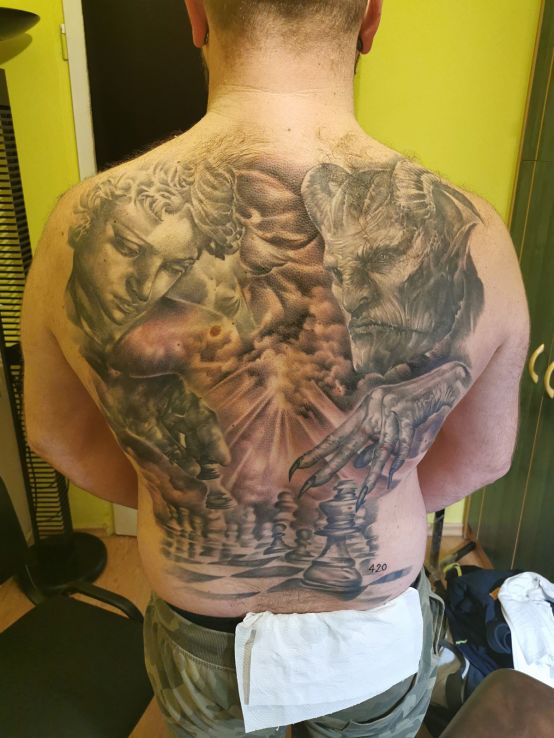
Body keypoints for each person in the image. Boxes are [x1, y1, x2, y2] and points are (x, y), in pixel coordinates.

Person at [21, 0, 529, 735]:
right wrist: (372, 488)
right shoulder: (477, 235)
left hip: (204, 615)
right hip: (372, 618)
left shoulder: (77, 221)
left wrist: (188, 494)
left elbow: (57, 434)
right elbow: (484, 455)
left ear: (196, 15)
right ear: (370, 20)